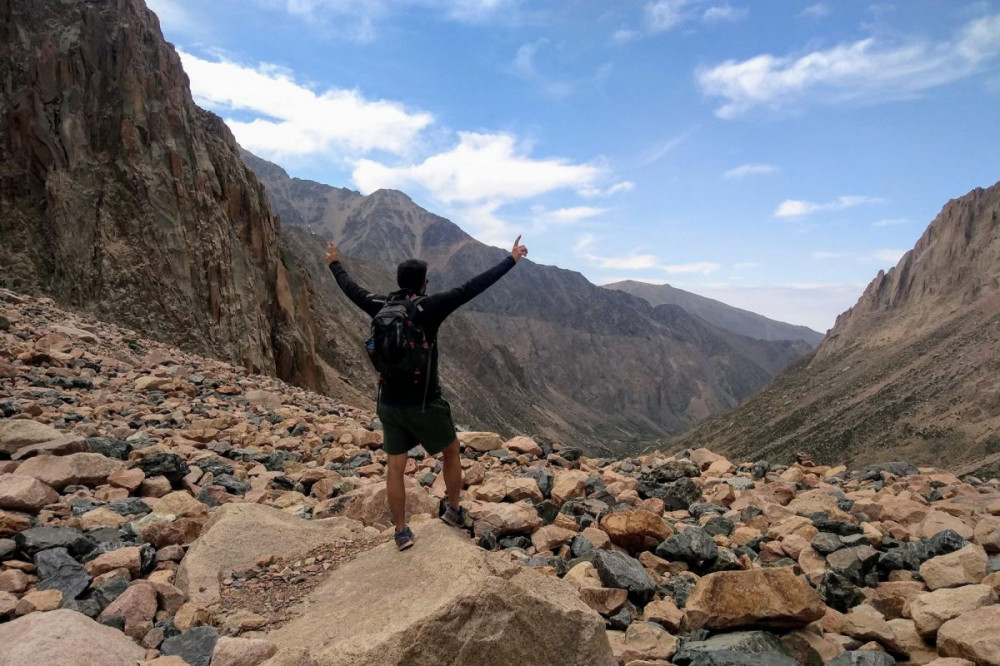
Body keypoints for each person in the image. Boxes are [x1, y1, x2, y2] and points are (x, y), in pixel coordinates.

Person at [326, 236, 529, 550]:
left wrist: (335, 264)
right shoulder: (428, 307)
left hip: (389, 403)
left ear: (398, 282)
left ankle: (401, 532)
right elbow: (473, 286)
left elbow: (350, 288)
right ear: (423, 284)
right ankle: (454, 510)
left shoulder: (379, 305)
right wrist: (511, 260)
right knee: (451, 450)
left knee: (395, 467)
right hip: (424, 402)